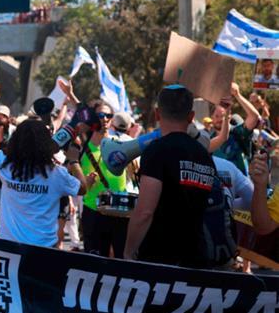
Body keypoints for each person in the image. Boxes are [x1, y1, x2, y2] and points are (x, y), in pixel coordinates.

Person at [0, 93, 88, 247]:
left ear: (16, 141)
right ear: (47, 144)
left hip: (9, 248)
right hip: (43, 251)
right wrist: (74, 161)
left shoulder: (5, 166)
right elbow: (82, 188)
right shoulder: (56, 174)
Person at [124, 85, 216, 267]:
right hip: (197, 257)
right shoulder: (204, 154)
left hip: (160, 259)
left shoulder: (156, 151)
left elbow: (144, 212)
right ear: (191, 117)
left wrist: (128, 252)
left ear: (157, 114)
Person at [77, 102, 131, 257]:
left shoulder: (121, 143)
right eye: (101, 115)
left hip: (119, 210)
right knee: (95, 262)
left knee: (120, 260)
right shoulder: (83, 146)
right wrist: (83, 180)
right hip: (93, 212)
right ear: (94, 118)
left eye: (108, 115)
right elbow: (71, 175)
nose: (105, 119)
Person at [209, 82, 260, 175]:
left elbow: (254, 117)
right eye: (217, 116)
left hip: (240, 187)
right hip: (217, 187)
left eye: (223, 116)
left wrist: (237, 95)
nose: (220, 119)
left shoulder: (238, 133)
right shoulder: (208, 139)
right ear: (211, 117)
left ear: (230, 116)